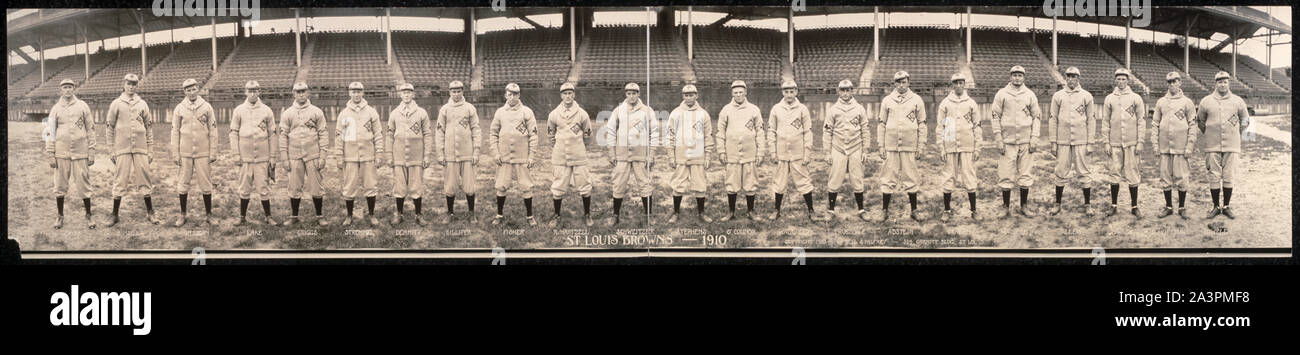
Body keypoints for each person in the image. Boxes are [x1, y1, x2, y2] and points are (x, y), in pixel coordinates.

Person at [105, 73, 160, 227]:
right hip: (122, 147)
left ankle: (150, 212)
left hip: (141, 147)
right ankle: (114, 214)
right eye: (129, 84)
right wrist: (110, 148)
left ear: (137, 86)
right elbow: (109, 127)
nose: (131, 87)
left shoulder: (142, 104)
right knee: (120, 179)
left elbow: (149, 127)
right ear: (124, 84)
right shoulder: (116, 103)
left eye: (134, 84)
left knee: (144, 178)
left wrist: (150, 149)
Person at [600, 82, 658, 226]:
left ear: (639, 94)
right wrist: (612, 153)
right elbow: (611, 131)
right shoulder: (619, 110)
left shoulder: (647, 110)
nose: (631, 96)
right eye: (628, 93)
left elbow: (654, 133)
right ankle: (615, 215)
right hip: (622, 154)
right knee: (618, 183)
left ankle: (648, 215)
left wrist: (651, 155)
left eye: (634, 93)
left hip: (641, 154)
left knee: (645, 183)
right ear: (625, 94)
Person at [1197, 71, 1251, 220]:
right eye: (1219, 82)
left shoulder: (1238, 101)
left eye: (1225, 81)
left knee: (1229, 175)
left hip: (1232, 145)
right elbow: (1200, 121)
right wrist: (1209, 133)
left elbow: (1246, 119)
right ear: (1215, 83)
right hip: (1212, 144)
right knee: (1214, 176)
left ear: (1229, 83)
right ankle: (1215, 206)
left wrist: (1237, 133)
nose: (1222, 84)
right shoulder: (1206, 101)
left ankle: (1226, 206)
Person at [991, 65, 1043, 218]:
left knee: (1025, 174)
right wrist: (998, 139)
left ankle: (1024, 206)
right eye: (1014, 75)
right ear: (1010, 77)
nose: (1017, 78)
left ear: (1024, 77)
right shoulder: (1002, 94)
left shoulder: (1030, 95)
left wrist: (1034, 138)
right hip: (1007, 141)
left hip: (1026, 141)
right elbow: (995, 117)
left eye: (1020, 75)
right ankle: (1005, 206)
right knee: (1006, 174)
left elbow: (1037, 117)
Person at [1046, 67, 1098, 216]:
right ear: (1065, 78)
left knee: (1084, 172)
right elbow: (1053, 119)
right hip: (1063, 140)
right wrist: (1053, 142)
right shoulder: (1058, 96)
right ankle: (1057, 204)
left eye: (1074, 76)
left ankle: (1087, 205)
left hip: (1081, 140)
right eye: (1068, 76)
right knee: (1060, 171)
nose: (1071, 79)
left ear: (1078, 78)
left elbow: (1091, 120)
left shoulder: (1086, 96)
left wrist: (1090, 142)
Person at [877, 71, 927, 221]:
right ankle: (884, 210)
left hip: (909, 145)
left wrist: (921, 145)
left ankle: (914, 210)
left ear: (908, 82)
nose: (901, 85)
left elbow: (922, 124)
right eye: (898, 82)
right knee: (888, 177)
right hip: (891, 145)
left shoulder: (917, 100)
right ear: (894, 84)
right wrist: (881, 145)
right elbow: (881, 124)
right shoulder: (887, 100)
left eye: (903, 82)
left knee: (911, 177)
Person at [46, 78, 97, 229]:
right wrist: (50, 153)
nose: (67, 90)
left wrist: (92, 151)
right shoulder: (55, 109)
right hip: (61, 153)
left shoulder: (82, 106)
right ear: (61, 90)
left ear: (74, 88)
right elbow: (50, 132)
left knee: (84, 184)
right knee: (60, 185)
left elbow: (91, 129)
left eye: (70, 87)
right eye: (65, 87)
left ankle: (89, 215)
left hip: (80, 152)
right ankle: (60, 216)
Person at [278, 82, 329, 226]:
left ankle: (319, 216)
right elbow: (282, 136)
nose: (301, 94)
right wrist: (284, 158)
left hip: (313, 154)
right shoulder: (287, 113)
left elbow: (323, 134)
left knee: (316, 186)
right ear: (293, 94)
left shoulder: (316, 111)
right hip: (294, 155)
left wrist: (323, 156)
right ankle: (294, 216)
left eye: (303, 91)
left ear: (308, 93)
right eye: (298, 92)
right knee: (294, 187)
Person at [334, 81, 385, 226]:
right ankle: (349, 215)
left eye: (359, 91)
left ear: (363, 93)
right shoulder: (344, 113)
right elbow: (339, 136)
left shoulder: (371, 111)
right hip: (350, 157)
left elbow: (378, 134)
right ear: (349, 93)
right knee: (349, 186)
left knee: (370, 185)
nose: (356, 94)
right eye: (353, 91)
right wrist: (339, 156)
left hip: (368, 155)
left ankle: (372, 214)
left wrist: (379, 153)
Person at [488, 83, 540, 226]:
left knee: (526, 186)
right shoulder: (499, 112)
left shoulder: (527, 112)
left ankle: (530, 216)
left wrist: (531, 156)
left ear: (519, 95)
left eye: (515, 94)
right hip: (503, 157)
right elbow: (493, 133)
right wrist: (496, 153)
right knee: (501, 185)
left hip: (522, 156)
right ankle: (499, 214)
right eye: (509, 94)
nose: (512, 97)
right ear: (505, 95)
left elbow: (534, 135)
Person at [170, 78, 219, 227]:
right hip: (185, 153)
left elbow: (213, 131)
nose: (191, 92)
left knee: (205, 184)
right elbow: (175, 132)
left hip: (203, 152)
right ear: (184, 91)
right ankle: (182, 214)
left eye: (193, 89)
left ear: (198, 89)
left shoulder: (206, 107)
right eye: (188, 90)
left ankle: (209, 215)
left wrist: (213, 152)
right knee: (183, 184)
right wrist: (175, 153)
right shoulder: (179, 108)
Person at [766, 80, 817, 222]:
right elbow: (771, 131)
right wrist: (772, 152)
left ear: (796, 92)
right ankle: (777, 210)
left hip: (798, 153)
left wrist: (807, 153)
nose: (789, 94)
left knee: (804, 181)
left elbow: (808, 132)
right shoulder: (776, 108)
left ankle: (811, 210)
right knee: (779, 182)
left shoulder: (802, 109)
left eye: (792, 91)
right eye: (786, 91)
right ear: (783, 92)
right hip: (782, 152)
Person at [715, 80, 765, 222]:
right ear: (732, 93)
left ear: (745, 93)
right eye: (735, 92)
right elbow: (720, 132)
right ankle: (731, 212)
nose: (738, 95)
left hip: (750, 153)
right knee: (731, 183)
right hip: (732, 153)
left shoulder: (754, 109)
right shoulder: (726, 110)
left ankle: (751, 211)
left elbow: (760, 132)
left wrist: (761, 152)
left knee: (750, 182)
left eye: (741, 92)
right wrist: (721, 151)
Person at [935, 73, 983, 222]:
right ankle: (947, 210)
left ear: (965, 84)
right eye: (955, 83)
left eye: (961, 83)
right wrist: (942, 147)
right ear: (952, 85)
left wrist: (977, 147)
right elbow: (940, 127)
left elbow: (977, 126)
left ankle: (974, 210)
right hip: (950, 143)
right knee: (949, 176)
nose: (958, 86)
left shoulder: (971, 103)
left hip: (967, 144)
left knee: (969, 175)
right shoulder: (945, 103)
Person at [229, 80, 278, 225]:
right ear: (245, 92)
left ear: (259, 92)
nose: (252, 93)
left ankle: (268, 216)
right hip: (245, 157)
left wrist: (273, 156)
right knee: (244, 187)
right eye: (249, 91)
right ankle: (242, 217)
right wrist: (236, 154)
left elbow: (272, 134)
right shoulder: (239, 110)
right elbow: (233, 133)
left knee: (263, 187)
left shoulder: (266, 110)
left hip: (262, 156)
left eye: (255, 90)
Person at [822, 79, 871, 222]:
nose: (845, 93)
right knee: (835, 178)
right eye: (842, 90)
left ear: (852, 91)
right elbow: (827, 132)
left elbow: (865, 130)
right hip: (838, 148)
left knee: (857, 178)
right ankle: (830, 210)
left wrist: (865, 150)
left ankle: (861, 209)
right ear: (838, 91)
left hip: (856, 147)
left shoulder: (859, 109)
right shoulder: (833, 110)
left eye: (848, 90)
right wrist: (827, 152)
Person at [1101, 68, 1147, 218]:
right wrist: (1106, 142)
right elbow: (1105, 122)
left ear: (1128, 80)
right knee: (1114, 173)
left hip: (1131, 143)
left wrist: (1140, 142)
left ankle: (1134, 206)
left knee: (1132, 174)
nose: (1121, 81)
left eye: (1124, 79)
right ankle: (1114, 206)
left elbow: (1141, 121)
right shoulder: (1109, 98)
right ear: (1115, 80)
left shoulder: (1135, 98)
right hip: (1114, 143)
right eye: (1118, 79)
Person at [546, 82, 595, 227]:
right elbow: (550, 134)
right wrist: (558, 146)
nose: (567, 96)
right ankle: (556, 214)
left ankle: (587, 214)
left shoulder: (582, 113)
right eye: (564, 93)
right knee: (558, 185)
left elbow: (588, 134)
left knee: (584, 185)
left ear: (574, 94)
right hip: (560, 155)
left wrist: (580, 147)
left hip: (579, 154)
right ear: (561, 96)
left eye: (570, 93)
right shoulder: (554, 114)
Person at [664, 84, 714, 223]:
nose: (689, 97)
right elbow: (670, 135)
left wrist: (708, 155)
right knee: (678, 184)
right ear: (683, 96)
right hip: (681, 155)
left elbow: (708, 136)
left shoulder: (703, 114)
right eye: (686, 95)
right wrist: (671, 155)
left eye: (691, 95)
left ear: (696, 95)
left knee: (700, 184)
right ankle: (676, 212)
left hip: (698, 155)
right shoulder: (675, 113)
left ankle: (701, 213)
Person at [386, 82, 433, 226]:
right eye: (403, 92)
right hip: (399, 155)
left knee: (416, 186)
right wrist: (389, 155)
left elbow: (427, 134)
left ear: (413, 94)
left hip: (416, 156)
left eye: (409, 92)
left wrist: (426, 155)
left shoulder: (421, 112)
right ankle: (399, 214)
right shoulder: (394, 113)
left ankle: (418, 214)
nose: (406, 95)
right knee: (399, 186)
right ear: (400, 95)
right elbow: (389, 135)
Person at [435, 80, 482, 224]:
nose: (456, 94)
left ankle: (471, 213)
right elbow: (439, 132)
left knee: (469, 185)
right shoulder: (444, 109)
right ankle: (450, 212)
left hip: (467, 153)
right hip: (450, 154)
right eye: (453, 91)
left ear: (463, 92)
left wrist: (476, 151)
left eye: (458, 91)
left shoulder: (469, 108)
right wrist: (440, 153)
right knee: (450, 185)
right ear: (449, 92)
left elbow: (476, 129)